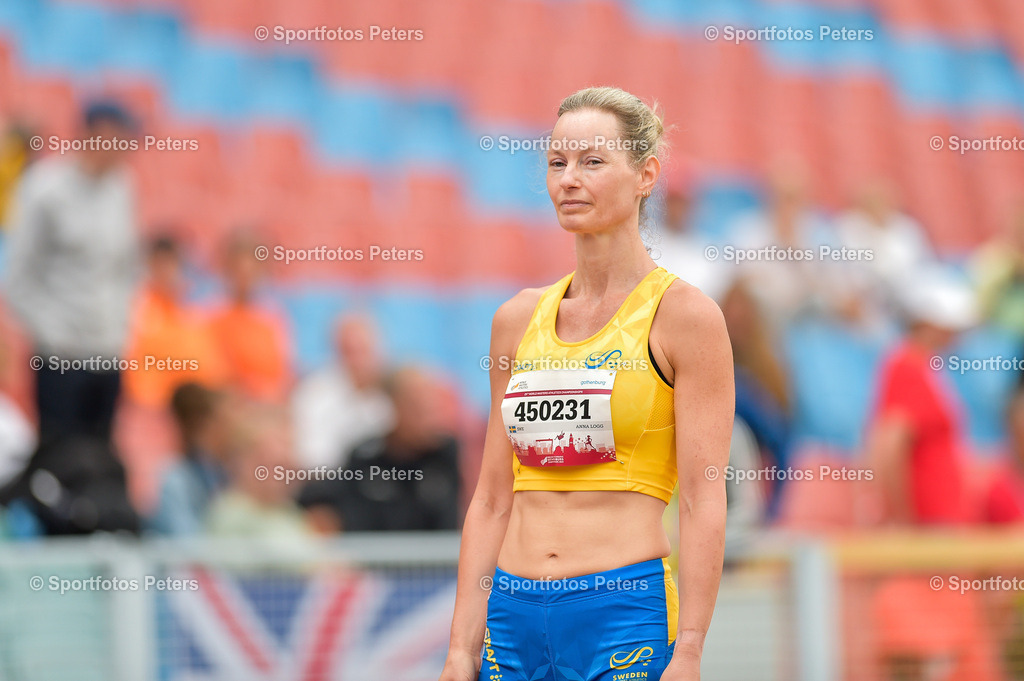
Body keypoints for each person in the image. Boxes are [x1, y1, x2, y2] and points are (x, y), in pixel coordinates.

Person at [439, 87, 734, 681]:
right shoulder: (516, 321)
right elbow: (493, 498)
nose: (569, 179)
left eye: (592, 162)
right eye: (557, 163)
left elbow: (704, 500)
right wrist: (459, 648)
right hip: (513, 615)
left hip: (623, 613)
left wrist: (693, 649)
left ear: (645, 174)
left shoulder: (686, 318)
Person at [3, 101, 141, 445]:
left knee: (99, 454)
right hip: (61, 355)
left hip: (107, 351)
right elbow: (19, 278)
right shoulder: (45, 188)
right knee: (60, 453)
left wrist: (122, 329)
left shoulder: (122, 187)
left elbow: (125, 268)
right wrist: (54, 336)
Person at [865, 266, 979, 526]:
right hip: (928, 530)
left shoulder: (922, 365)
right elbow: (889, 446)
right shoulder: (908, 365)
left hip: (938, 527)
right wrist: (902, 519)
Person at [299, 365, 460, 532]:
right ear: (392, 406)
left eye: (431, 406)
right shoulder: (364, 457)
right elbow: (327, 494)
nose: (427, 415)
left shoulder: (446, 455)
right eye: (416, 406)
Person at [122, 235, 225, 408]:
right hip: (151, 402)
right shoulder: (136, 309)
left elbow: (209, 365)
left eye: (170, 263)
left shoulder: (193, 311)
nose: (165, 271)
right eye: (158, 264)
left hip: (192, 401)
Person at [291, 312, 394, 469]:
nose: (358, 360)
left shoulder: (393, 392)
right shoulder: (314, 392)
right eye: (349, 351)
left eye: (363, 350)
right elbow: (311, 453)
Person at [205, 229, 292, 403]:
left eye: (253, 269)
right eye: (238, 268)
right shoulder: (210, 318)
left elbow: (283, 374)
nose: (245, 276)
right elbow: (213, 375)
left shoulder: (273, 319)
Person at [149, 383, 232, 536]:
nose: (230, 431)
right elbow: (186, 541)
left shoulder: (219, 472)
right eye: (224, 423)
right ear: (205, 425)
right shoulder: (176, 478)